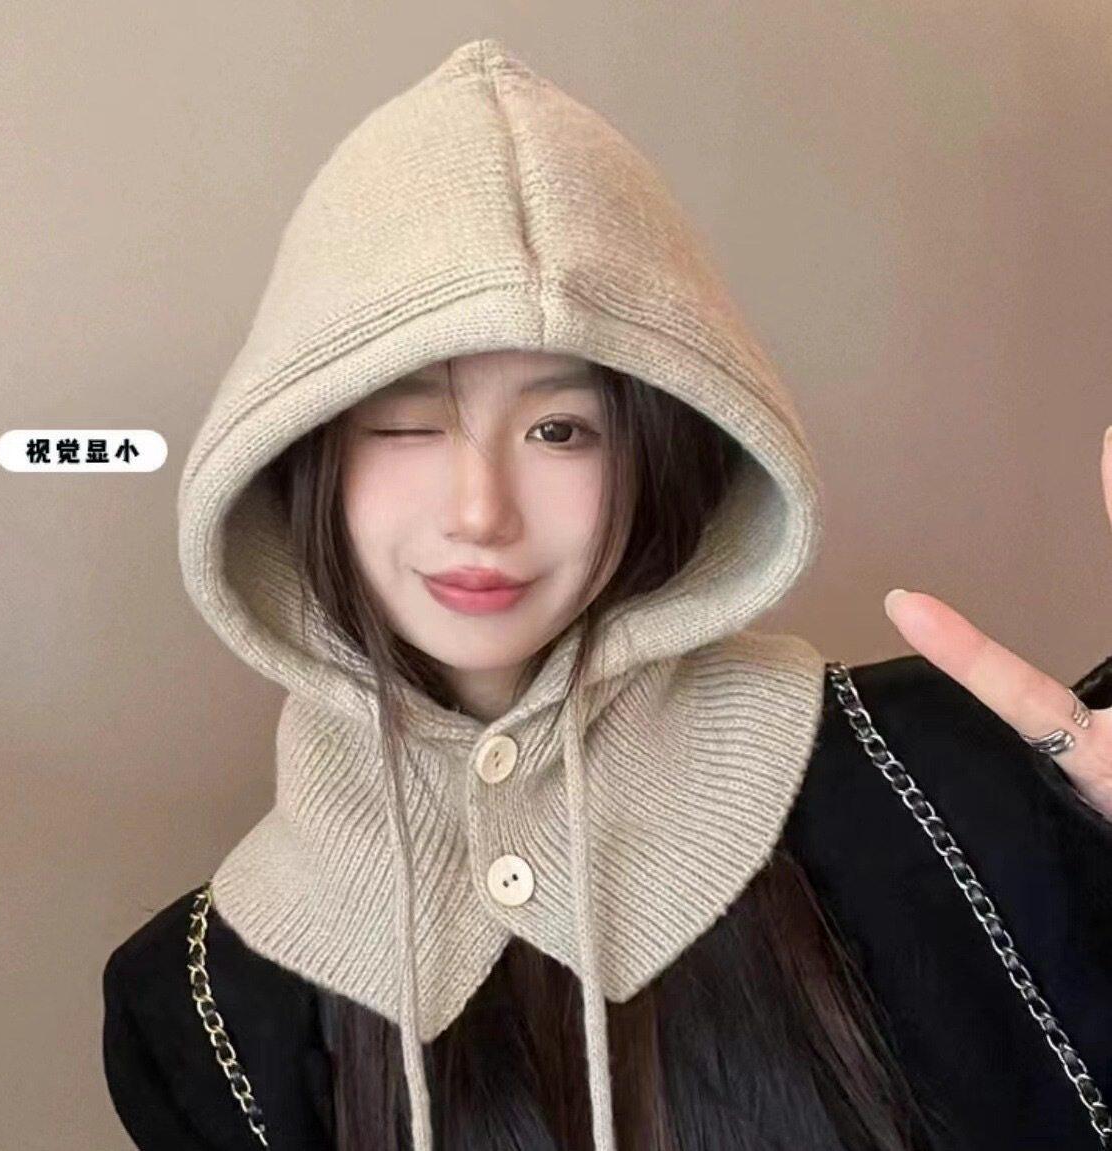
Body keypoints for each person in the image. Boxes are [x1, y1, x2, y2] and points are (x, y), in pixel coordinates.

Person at [100, 37, 1112, 1151]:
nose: (480, 510)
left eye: (559, 429)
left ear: (659, 452)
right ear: (299, 460)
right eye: (405, 423)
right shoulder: (196, 1008)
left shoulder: (941, 769)